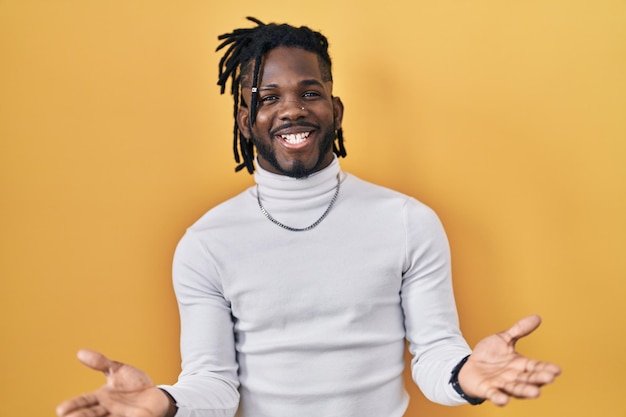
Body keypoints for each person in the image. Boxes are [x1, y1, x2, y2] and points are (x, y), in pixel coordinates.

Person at [56, 17, 561, 417]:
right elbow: (214, 385)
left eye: (309, 92)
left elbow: (433, 355)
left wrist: (465, 374)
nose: (291, 109)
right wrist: (165, 403)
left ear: (336, 110)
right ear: (244, 120)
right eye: (268, 98)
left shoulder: (407, 221)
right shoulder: (206, 243)